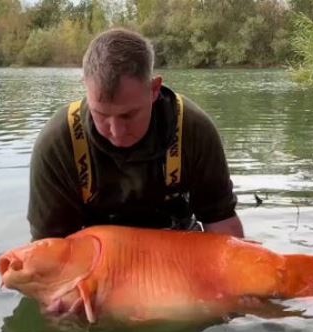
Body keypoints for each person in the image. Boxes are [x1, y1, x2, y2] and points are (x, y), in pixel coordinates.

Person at [27, 28, 244, 240]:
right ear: (85, 86)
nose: (116, 132)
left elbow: (220, 220)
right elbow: (49, 247)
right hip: (98, 261)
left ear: (154, 89)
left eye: (128, 115)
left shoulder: (194, 129)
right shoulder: (58, 143)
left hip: (178, 253)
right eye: (101, 115)